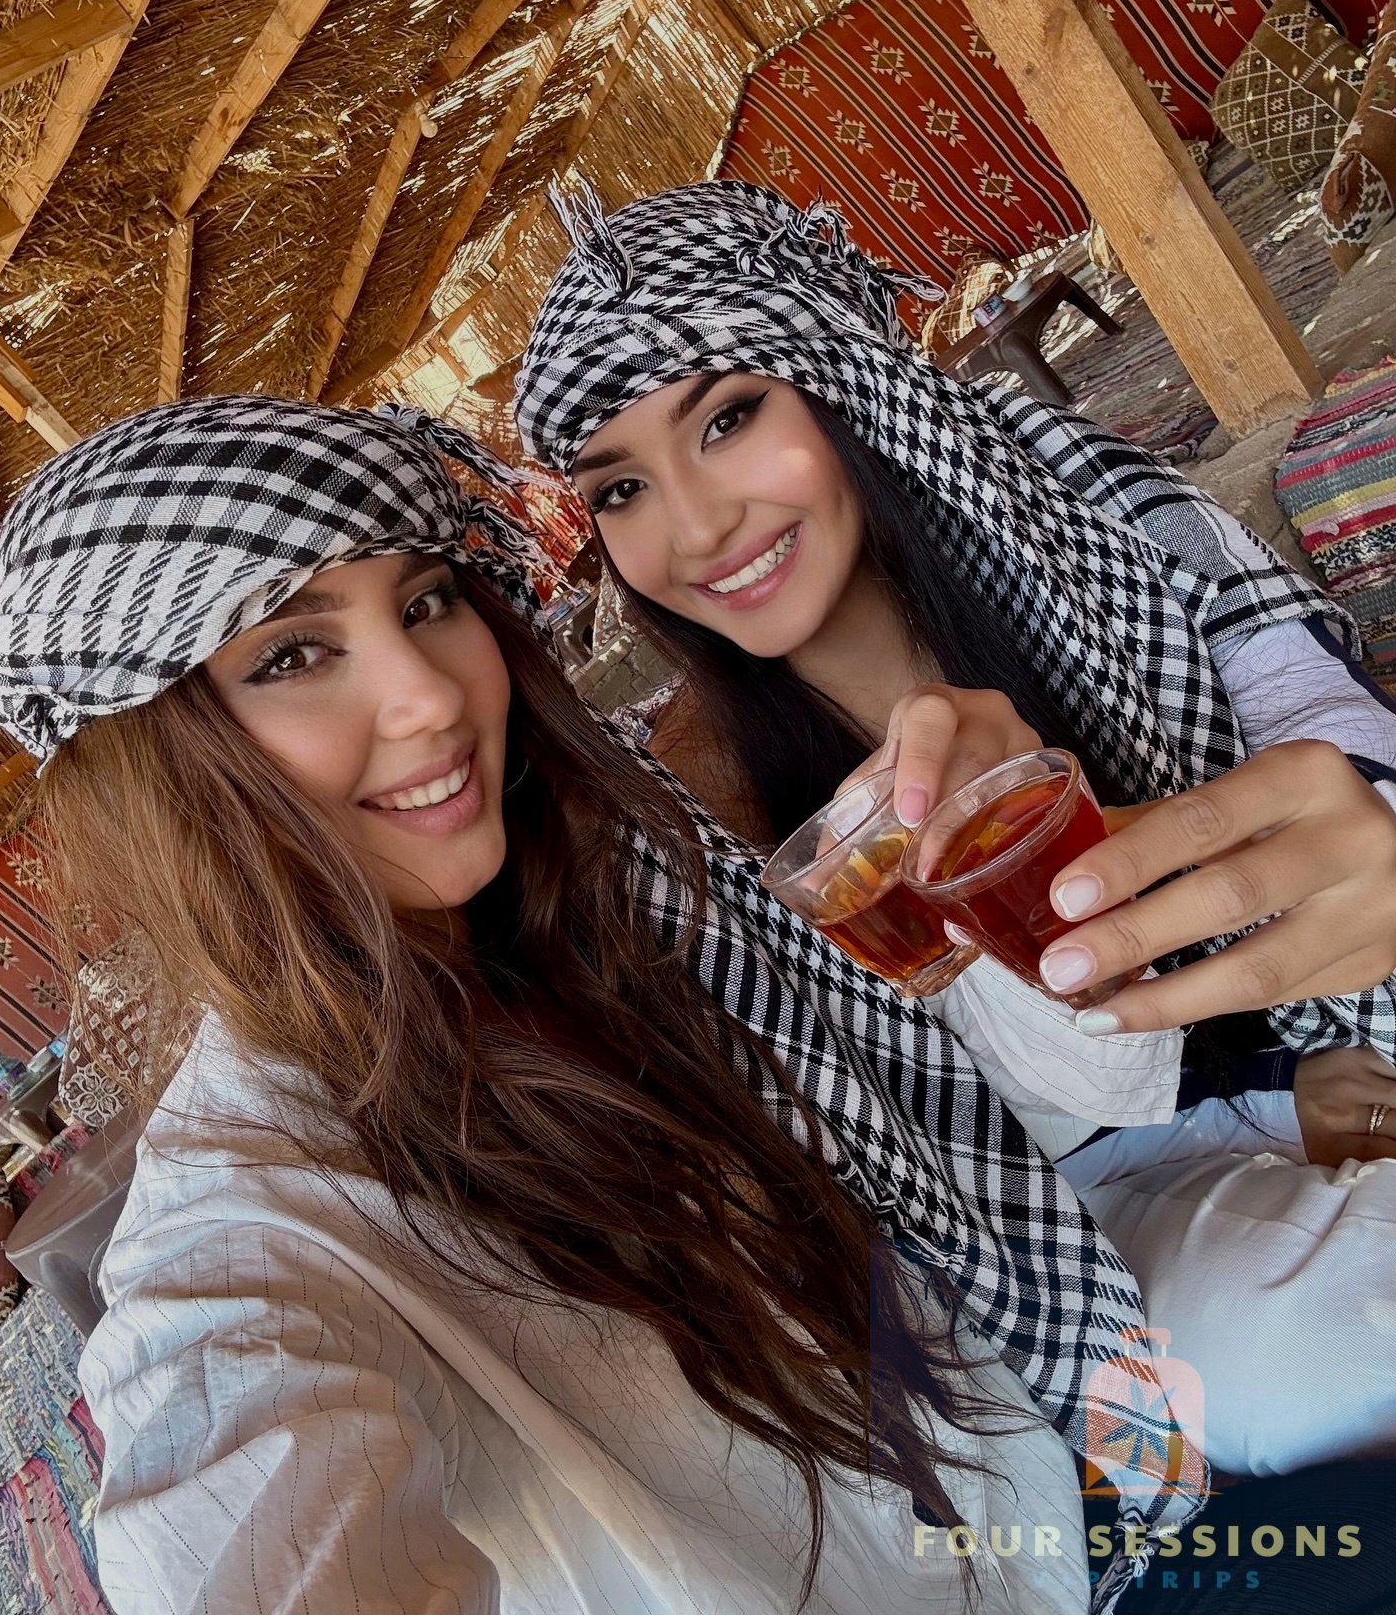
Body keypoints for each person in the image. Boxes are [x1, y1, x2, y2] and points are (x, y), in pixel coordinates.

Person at [0, 392, 1209, 1614]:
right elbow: (236, 1499)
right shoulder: (242, 1240)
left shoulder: (639, 885)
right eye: (290, 655)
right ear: (156, 769)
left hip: (1072, 1481)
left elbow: (1023, 1114)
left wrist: (1009, 879)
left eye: (426, 602)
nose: (432, 699)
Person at [514, 177, 1396, 1481]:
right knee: (1325, 1366)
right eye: (622, 489)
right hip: (1088, 1210)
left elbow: (1322, 733)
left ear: (845, 381)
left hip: (1326, 1042)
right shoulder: (696, 809)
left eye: (730, 419)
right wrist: (1001, 915)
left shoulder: (1101, 519)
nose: (695, 528)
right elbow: (980, 1136)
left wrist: (1347, 903)